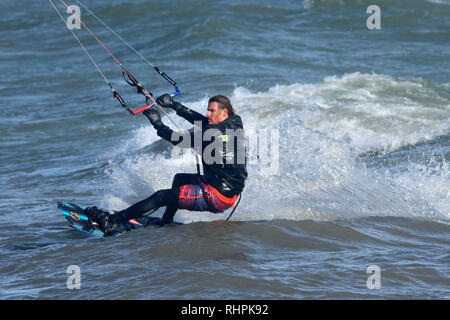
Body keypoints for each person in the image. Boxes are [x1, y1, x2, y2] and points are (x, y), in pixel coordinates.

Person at [84, 94, 247, 235]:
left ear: (224, 112)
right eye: (208, 109)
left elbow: (179, 140)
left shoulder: (213, 134)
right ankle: (166, 222)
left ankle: (111, 220)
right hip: (228, 191)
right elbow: (202, 121)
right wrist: (174, 105)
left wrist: (158, 124)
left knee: (161, 196)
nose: (208, 113)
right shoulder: (234, 123)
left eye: (212, 110)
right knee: (179, 179)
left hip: (217, 196)